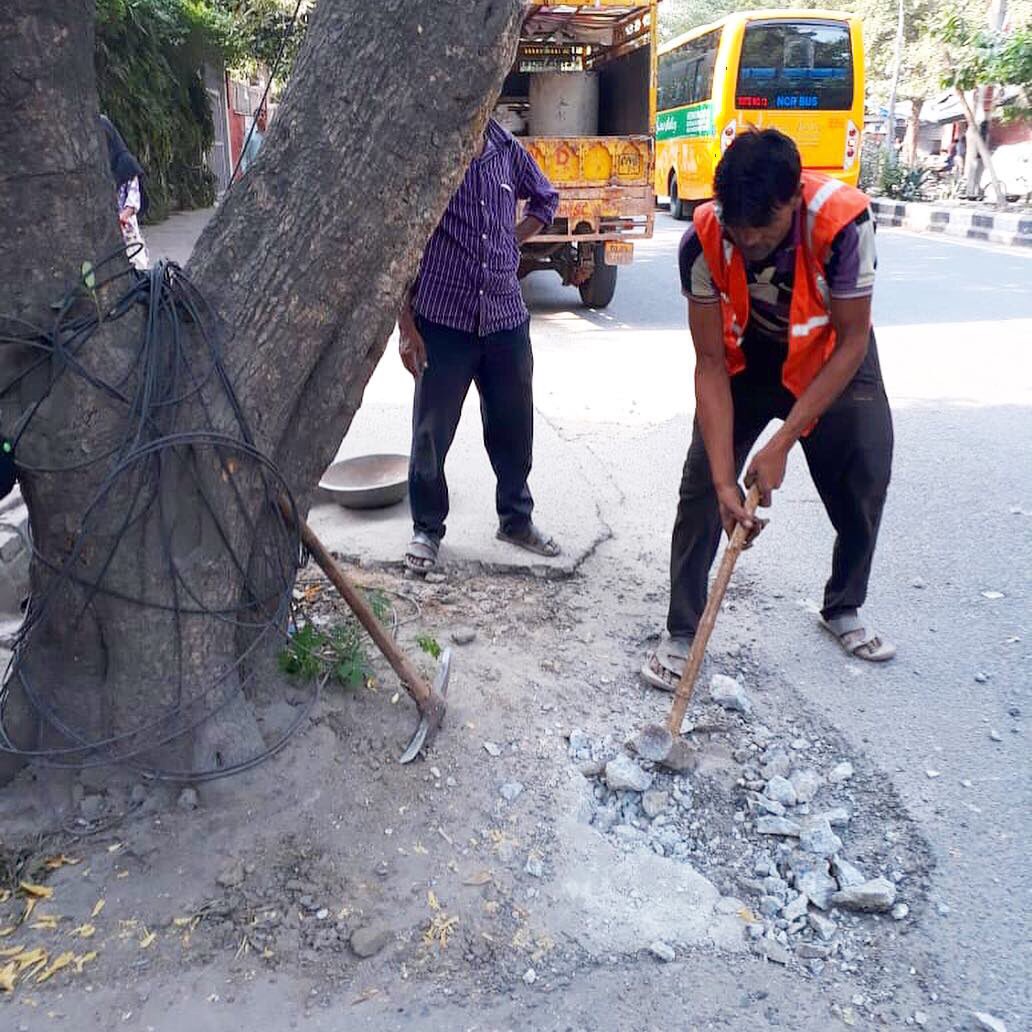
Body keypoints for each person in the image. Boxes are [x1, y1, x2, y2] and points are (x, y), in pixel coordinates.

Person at [642, 128, 895, 691]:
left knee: (865, 472)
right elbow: (709, 362)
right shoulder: (703, 240)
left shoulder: (845, 225)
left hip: (831, 354)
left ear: (793, 200)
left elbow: (853, 341)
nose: (750, 239)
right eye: (741, 227)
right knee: (702, 486)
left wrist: (782, 442)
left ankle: (843, 606)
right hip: (747, 357)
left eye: (765, 227)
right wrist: (724, 479)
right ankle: (683, 631)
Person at [399, 117, 560, 573]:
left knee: (514, 428)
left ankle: (515, 520)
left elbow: (546, 198)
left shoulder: (505, 147)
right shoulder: (433, 148)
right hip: (443, 321)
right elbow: (402, 242)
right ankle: (427, 529)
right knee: (431, 433)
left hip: (506, 319)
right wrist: (405, 326)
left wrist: (513, 239)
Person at [99, 115, 150, 271]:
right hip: (107, 226)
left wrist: (121, 218)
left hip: (126, 226)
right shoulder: (99, 166)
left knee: (135, 262)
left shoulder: (126, 163)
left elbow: (134, 201)